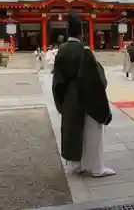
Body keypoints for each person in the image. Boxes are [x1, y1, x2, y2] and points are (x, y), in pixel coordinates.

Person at [52, 12, 115, 177]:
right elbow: (97, 78)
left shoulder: (62, 51)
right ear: (81, 33)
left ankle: (77, 164)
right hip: (87, 97)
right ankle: (96, 168)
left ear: (68, 33)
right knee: (93, 132)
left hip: (69, 99)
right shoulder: (84, 51)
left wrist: (61, 102)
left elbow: (57, 81)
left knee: (74, 131)